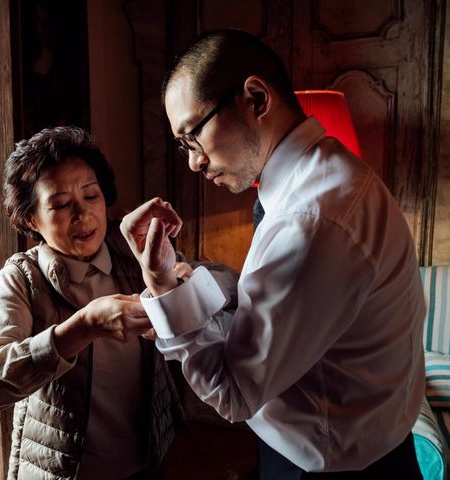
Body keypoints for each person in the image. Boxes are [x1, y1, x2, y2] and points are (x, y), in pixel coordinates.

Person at [119, 29, 425, 479]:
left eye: (193, 136)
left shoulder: (311, 221)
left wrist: (164, 291)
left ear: (256, 98)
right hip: (346, 443)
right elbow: (271, 304)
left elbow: (234, 395)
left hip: (328, 464)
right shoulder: (318, 175)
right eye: (183, 146)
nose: (193, 162)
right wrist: (186, 287)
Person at [0, 126, 188, 480]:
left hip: (148, 464)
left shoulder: (130, 250)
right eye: (60, 205)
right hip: (63, 473)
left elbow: (222, 281)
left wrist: (181, 278)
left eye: (91, 196)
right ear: (30, 219)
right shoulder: (22, 278)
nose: (83, 215)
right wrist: (83, 327)